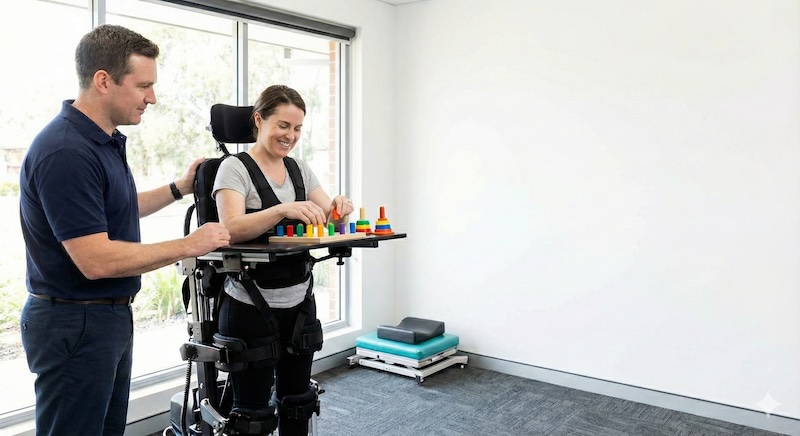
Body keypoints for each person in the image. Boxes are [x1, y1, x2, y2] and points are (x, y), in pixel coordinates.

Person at [18, 24, 231, 436]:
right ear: (103, 81)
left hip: (104, 318)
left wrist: (177, 188)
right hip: (74, 322)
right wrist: (188, 245)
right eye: (143, 86)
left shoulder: (102, 140)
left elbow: (112, 210)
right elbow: (96, 259)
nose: (152, 97)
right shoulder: (66, 151)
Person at [213, 84, 355, 435]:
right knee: (253, 417)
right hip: (250, 305)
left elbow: (331, 218)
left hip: (299, 304)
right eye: (283, 126)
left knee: (298, 403)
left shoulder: (299, 170)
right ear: (259, 120)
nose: (290, 136)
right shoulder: (234, 169)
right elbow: (230, 228)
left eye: (297, 128)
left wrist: (340, 210)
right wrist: (282, 209)